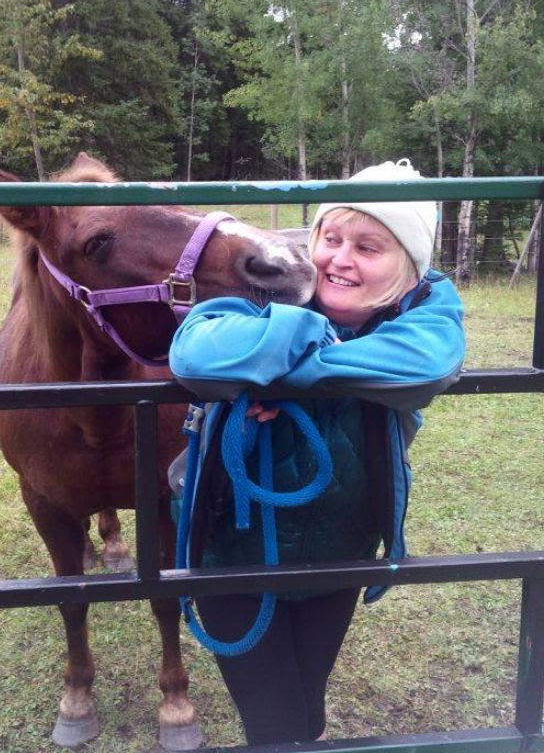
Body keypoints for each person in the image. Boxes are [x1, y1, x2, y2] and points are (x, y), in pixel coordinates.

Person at [168, 159, 466, 746]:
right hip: (232, 553)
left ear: (410, 268)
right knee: (277, 727)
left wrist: (281, 369)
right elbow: (194, 351)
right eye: (330, 238)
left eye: (368, 247)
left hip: (339, 551)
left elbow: (429, 360)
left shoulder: (423, 307)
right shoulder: (272, 282)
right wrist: (307, 332)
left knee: (308, 713)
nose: (339, 259)